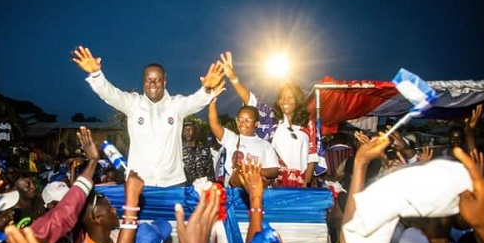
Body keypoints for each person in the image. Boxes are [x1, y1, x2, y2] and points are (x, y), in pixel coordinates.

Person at [72, 45, 225, 187]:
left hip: (174, 182)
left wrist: (206, 89)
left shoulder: (176, 105)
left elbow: (195, 101)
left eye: (158, 80)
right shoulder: (132, 104)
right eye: (149, 79)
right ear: (143, 82)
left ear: (164, 82)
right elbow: (109, 93)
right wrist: (96, 74)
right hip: (139, 183)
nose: (153, 83)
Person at [220, 51, 318, 187]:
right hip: (275, 183)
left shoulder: (309, 124)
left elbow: (312, 156)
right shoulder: (272, 119)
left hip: (300, 184)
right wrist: (233, 78)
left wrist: (306, 181)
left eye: (290, 97)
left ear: (298, 100)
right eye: (282, 97)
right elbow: (251, 100)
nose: (285, 101)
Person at [207, 99, 279, 187]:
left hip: (257, 191)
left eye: (247, 120)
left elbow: (275, 171)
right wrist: (212, 101)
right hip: (236, 192)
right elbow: (214, 125)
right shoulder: (231, 138)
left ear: (256, 123)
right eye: (239, 120)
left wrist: (253, 170)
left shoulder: (265, 145)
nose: (242, 123)